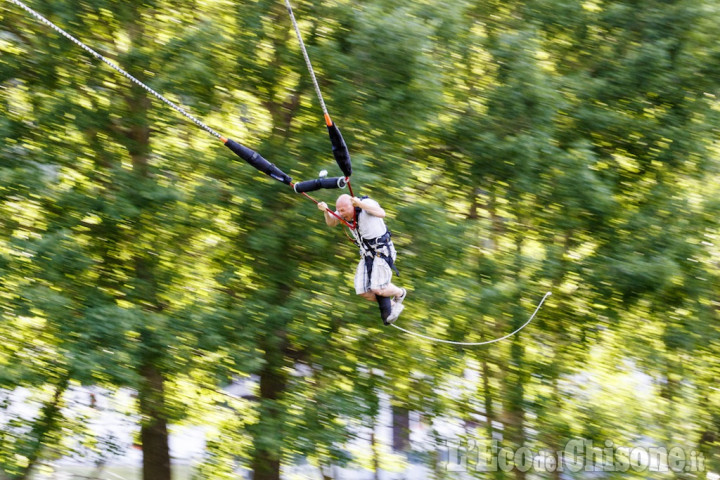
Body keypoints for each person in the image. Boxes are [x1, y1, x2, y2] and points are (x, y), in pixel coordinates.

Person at [318, 194, 407, 325]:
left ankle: (400, 293)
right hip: (367, 254)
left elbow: (382, 213)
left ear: (352, 205)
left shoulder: (365, 204)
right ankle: (393, 305)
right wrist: (326, 211)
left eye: (343, 210)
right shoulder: (343, 212)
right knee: (363, 290)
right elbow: (331, 222)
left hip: (382, 250)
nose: (341, 214)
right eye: (339, 211)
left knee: (378, 289)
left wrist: (360, 204)